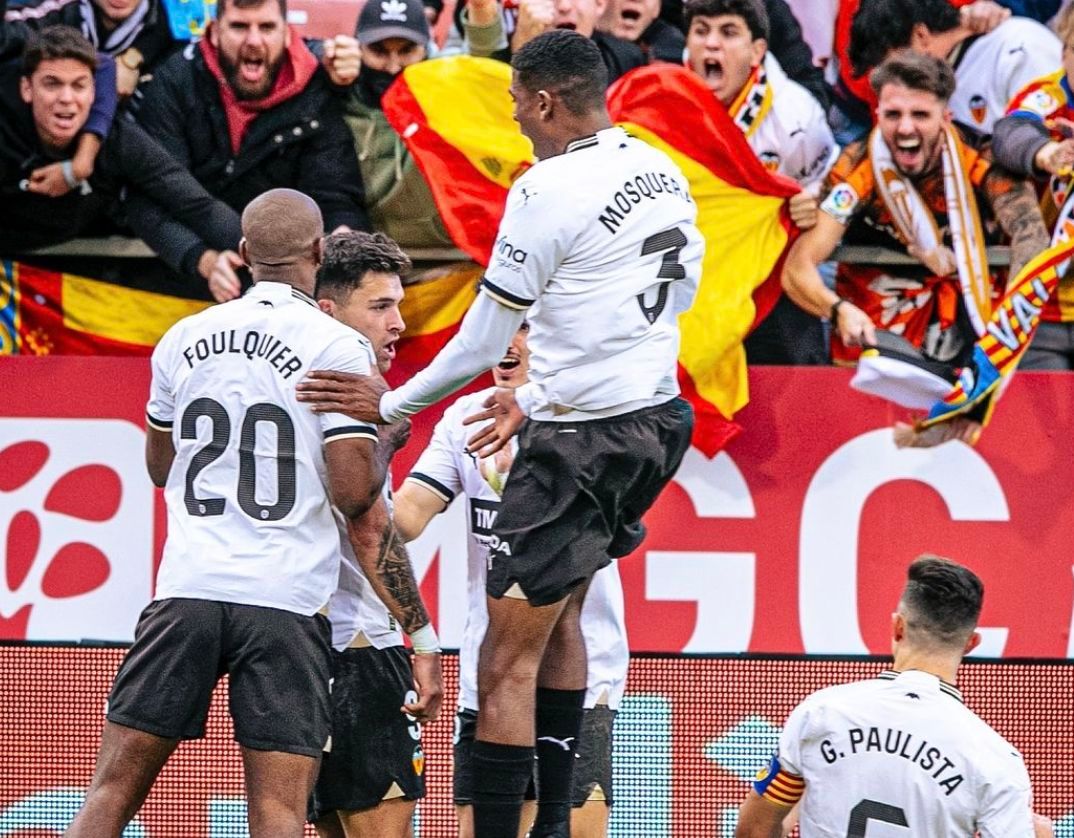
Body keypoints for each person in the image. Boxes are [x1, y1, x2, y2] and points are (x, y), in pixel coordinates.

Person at [296, 29, 701, 838]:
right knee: (565, 611)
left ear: (546, 103)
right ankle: (549, 827)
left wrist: (392, 405)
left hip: (584, 438)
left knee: (503, 660)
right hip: (656, 421)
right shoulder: (661, 170)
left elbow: (483, 342)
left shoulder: (546, 189)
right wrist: (542, 393)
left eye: (516, 102)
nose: (513, 117)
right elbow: (652, 310)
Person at [62, 189, 439, 838]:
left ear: (243, 252)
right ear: (319, 251)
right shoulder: (335, 346)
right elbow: (356, 499)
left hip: (188, 591)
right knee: (277, 813)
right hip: (283, 602)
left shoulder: (182, 338)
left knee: (110, 795)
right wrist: (384, 437)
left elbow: (160, 467)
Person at [392, 323, 630, 838]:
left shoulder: (592, 419)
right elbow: (406, 518)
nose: (508, 342)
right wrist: (351, 483)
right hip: (490, 677)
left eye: (525, 328)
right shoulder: (465, 418)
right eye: (500, 325)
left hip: (578, 675)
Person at [734, 554, 1048, 838]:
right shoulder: (996, 759)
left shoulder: (820, 713)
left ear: (898, 627)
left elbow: (752, 832)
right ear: (971, 644)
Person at [782, 50, 1049, 366]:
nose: (905, 128)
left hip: (976, 317)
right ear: (877, 114)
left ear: (946, 117)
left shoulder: (981, 159)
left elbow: (1032, 237)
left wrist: (1010, 325)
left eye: (920, 115)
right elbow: (797, 268)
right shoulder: (855, 168)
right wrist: (839, 310)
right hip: (877, 327)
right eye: (893, 115)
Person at [309, 230, 439, 838]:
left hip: (304, 646)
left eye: (399, 305)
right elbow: (366, 520)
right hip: (361, 646)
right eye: (381, 306)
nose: (398, 324)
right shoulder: (348, 400)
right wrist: (424, 640)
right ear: (328, 310)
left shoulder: (286, 384)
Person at [132, 0, 370, 303]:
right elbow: (149, 195)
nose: (254, 41)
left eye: (267, 27)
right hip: (180, 279)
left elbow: (335, 193)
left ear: (287, 34)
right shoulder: (176, 80)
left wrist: (341, 234)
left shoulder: (316, 86)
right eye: (239, 26)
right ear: (214, 32)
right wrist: (200, 258)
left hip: (292, 284)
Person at [0, 26, 241, 279]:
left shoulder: (119, 139)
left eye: (79, 86)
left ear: (95, 92)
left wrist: (257, 253)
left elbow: (198, 205)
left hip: (87, 264)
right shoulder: (6, 129)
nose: (66, 98)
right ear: (26, 89)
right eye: (52, 85)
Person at [683, 0, 836, 364]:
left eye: (728, 32)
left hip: (770, 274)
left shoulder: (796, 118)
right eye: (701, 31)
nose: (711, 43)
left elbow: (834, 184)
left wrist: (815, 200)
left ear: (757, 51)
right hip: (694, 272)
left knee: (793, 375)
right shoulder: (664, 101)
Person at [989, 2, 1074, 370]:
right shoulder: (1045, 97)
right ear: (1064, 51)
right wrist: (1045, 153)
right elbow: (1009, 135)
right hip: (1039, 306)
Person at [340, 0, 457, 250]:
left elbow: (489, 63)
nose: (393, 66)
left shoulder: (450, 98)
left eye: (406, 51)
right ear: (357, 50)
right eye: (379, 51)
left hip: (446, 259)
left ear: (427, 51)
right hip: (370, 258)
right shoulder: (336, 102)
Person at [848, 0, 1060, 136]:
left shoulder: (1019, 48)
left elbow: (1056, 138)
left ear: (921, 35)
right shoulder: (930, 82)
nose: (894, 79)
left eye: (895, 67)